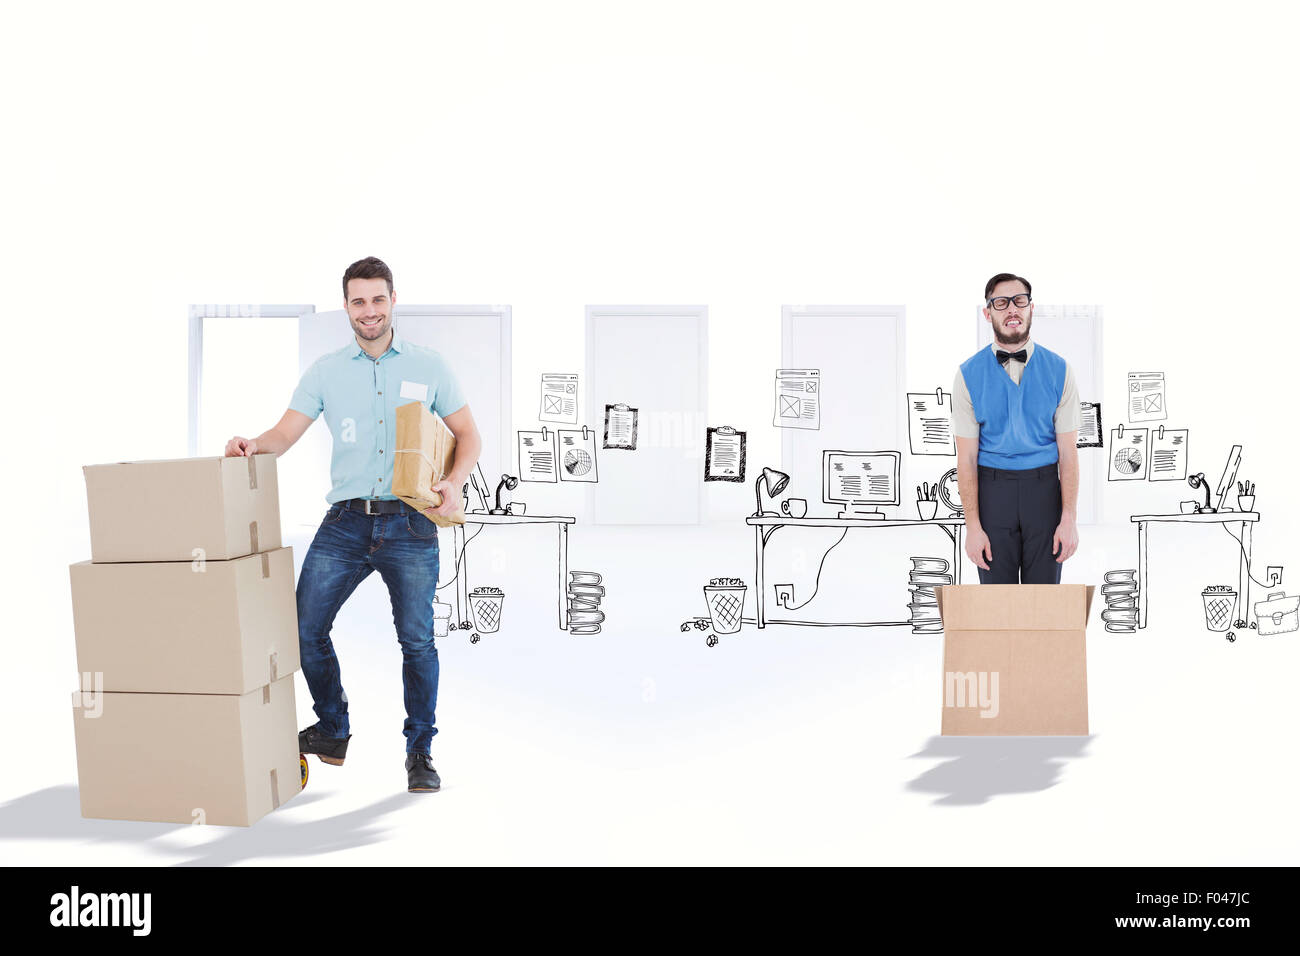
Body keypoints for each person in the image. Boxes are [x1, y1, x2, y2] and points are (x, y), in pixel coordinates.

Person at [225, 256, 483, 794]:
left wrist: (455, 480)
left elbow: (469, 436)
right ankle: (334, 726)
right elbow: (284, 434)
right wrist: (252, 443)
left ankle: (420, 750)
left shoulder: (429, 365)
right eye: (359, 301)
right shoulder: (326, 371)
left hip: (412, 522)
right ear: (346, 306)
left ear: (393, 300)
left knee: (416, 643)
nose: (369, 311)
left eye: (378, 299)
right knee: (303, 628)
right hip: (345, 523)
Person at [952, 273, 1080, 584]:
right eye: (1001, 302)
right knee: (997, 605)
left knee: (1044, 602)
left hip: (1045, 492)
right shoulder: (967, 375)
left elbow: (1068, 453)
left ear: (1031, 308)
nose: (1012, 309)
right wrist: (973, 528)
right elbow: (966, 459)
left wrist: (1068, 519)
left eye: (1019, 301)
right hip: (993, 494)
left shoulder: (1060, 370)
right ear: (988, 313)